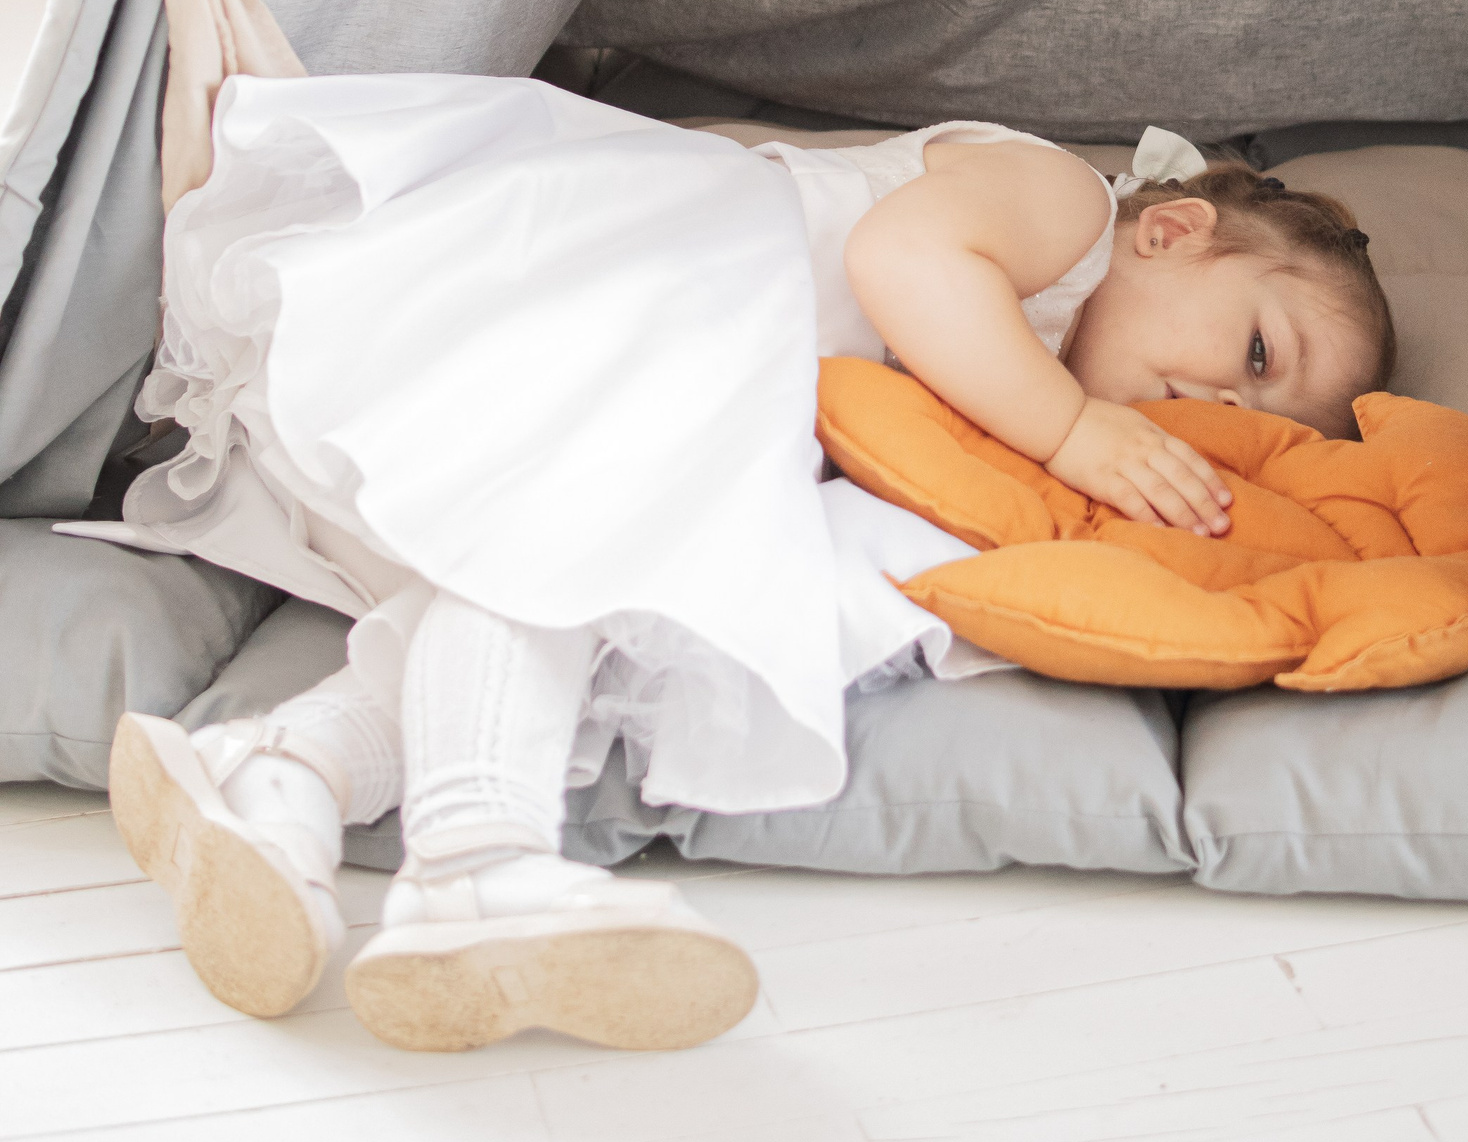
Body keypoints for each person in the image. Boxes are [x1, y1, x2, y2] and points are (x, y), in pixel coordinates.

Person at [103, 82, 1394, 1054]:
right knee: (583, 526)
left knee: (600, 585)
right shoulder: (1064, 210)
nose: (1222, 407)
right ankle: (473, 857)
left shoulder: (1029, 416)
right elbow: (902, 261)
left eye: (1257, 423)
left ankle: (286, 777)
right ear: (1175, 233)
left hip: (676, 404)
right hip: (645, 275)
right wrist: (1069, 428)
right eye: (1258, 353)